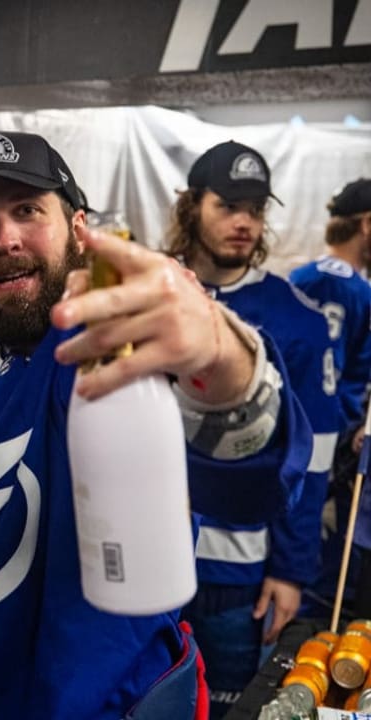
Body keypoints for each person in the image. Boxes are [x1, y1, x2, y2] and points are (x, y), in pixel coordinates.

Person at [0, 131, 310, 719]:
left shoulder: (124, 341)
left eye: (26, 210)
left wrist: (222, 358)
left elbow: (255, 484)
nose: (4, 239)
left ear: (77, 228)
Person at [165, 140, 338, 718]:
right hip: (146, 562)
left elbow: (313, 462)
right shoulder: (152, 297)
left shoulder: (297, 319)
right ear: (193, 205)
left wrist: (291, 570)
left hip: (239, 578)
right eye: (228, 205)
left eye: (256, 209)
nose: (244, 222)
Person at [288, 178, 371, 616]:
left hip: (290, 430)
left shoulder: (297, 278)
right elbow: (360, 371)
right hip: (338, 439)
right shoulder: (363, 293)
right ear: (367, 225)